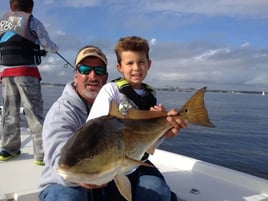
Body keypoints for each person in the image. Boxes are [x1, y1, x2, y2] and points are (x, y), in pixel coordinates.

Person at [39, 45, 185, 201]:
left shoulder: (121, 102)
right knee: (67, 197)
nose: (93, 76)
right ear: (76, 75)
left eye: (99, 71)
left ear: (106, 77)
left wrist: (164, 130)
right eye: (84, 69)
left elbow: (142, 141)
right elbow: (57, 159)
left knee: (156, 190)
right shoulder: (62, 112)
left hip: (118, 168)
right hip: (67, 180)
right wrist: (81, 176)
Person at [86, 36, 187, 201]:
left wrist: (166, 130)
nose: (136, 68)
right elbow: (94, 129)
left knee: (158, 191)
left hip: (139, 162)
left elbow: (150, 143)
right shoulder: (110, 91)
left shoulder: (151, 97)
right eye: (129, 63)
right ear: (119, 67)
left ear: (149, 64)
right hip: (112, 165)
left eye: (141, 62)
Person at [0, 0, 58, 164]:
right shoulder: (32, 21)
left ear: (11, 7)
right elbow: (48, 45)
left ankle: (8, 149)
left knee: (9, 112)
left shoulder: (2, 22)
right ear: (31, 7)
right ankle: (41, 154)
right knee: (34, 113)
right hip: (27, 72)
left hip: (6, 73)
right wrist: (54, 49)